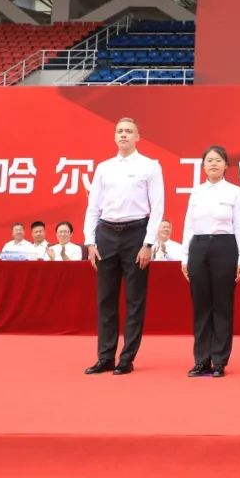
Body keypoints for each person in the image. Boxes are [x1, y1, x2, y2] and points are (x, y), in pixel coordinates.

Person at [83, 116, 165, 376]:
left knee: (134, 300)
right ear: (114, 136)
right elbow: (93, 207)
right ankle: (105, 356)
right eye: (119, 131)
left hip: (136, 234)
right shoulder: (104, 168)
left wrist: (148, 243)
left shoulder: (150, 166)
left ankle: (126, 358)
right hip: (106, 234)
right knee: (105, 299)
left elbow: (157, 208)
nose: (123, 135)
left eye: (129, 131)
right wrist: (90, 241)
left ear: (137, 137)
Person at [180, 145, 240, 378]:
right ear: (203, 166)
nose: (213, 164)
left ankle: (219, 360)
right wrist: (185, 256)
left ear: (226, 165)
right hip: (198, 247)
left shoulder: (234, 192)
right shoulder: (196, 192)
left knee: (222, 304)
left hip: (224, 246)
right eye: (209, 160)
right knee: (201, 305)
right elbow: (189, 225)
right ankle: (201, 360)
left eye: (218, 160)